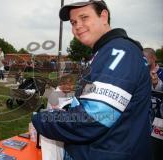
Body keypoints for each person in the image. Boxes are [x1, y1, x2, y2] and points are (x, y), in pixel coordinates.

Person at [32, 1, 152, 160]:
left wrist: (40, 118)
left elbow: (92, 119)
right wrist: (67, 109)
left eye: (84, 17)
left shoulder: (119, 51)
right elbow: (91, 105)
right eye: (73, 22)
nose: (77, 26)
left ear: (103, 16)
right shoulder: (105, 52)